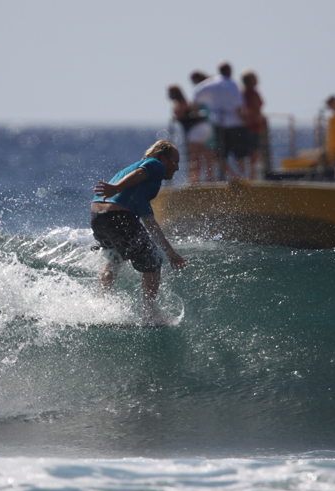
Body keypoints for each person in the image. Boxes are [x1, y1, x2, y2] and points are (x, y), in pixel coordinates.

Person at [90, 140, 187, 324]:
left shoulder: (141, 189)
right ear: (163, 158)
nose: (177, 168)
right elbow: (140, 173)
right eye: (174, 162)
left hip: (98, 217)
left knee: (115, 259)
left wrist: (171, 252)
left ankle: (97, 304)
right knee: (153, 260)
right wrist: (116, 188)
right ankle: (148, 314)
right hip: (117, 215)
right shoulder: (155, 164)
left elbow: (150, 224)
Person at [193, 61, 247, 180]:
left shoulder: (210, 83)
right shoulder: (232, 84)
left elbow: (196, 94)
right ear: (230, 71)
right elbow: (239, 106)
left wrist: (196, 110)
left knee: (221, 154)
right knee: (238, 153)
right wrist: (244, 120)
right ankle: (242, 176)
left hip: (218, 122)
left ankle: (224, 177)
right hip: (234, 122)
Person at [167, 85, 212, 183]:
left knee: (194, 156)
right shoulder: (186, 102)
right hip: (203, 128)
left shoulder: (178, 103)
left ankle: (194, 180)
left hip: (195, 129)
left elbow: (179, 114)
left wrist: (175, 116)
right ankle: (203, 179)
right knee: (202, 154)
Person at [239, 69, 269, 178]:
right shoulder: (252, 93)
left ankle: (248, 176)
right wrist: (259, 124)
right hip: (253, 127)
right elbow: (255, 109)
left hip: (245, 127)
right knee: (254, 154)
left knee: (248, 155)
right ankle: (252, 177)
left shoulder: (241, 93)